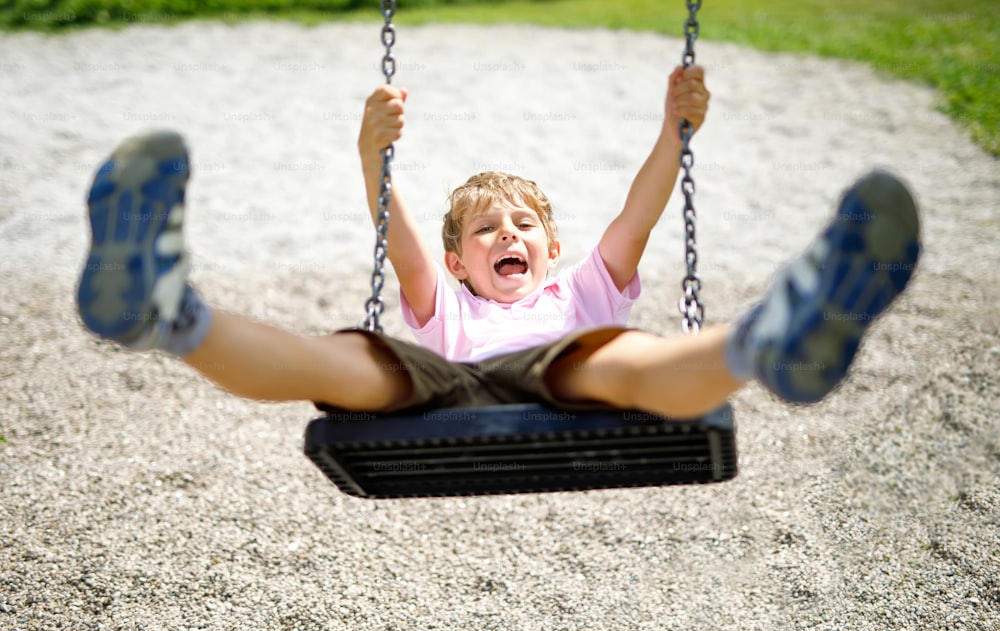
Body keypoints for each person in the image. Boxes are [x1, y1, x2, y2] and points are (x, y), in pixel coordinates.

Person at [75, 65, 921, 421]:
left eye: (523, 227)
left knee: (613, 357)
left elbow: (638, 215)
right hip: (442, 387)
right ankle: (164, 314)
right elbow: (398, 238)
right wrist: (374, 153)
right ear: (458, 262)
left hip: (562, 375)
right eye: (486, 230)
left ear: (552, 250)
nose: (506, 236)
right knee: (341, 357)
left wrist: (675, 131)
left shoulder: (581, 297)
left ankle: (772, 339)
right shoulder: (444, 302)